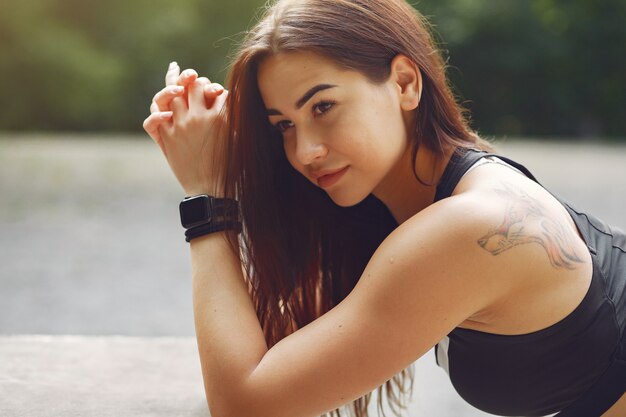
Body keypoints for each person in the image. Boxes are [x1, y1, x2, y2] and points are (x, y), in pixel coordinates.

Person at [142, 1, 626, 416]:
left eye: (323, 107)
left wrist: (207, 198)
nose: (305, 150)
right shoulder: (393, 202)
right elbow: (275, 357)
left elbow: (247, 404)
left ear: (405, 83)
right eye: (283, 125)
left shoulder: (471, 224)